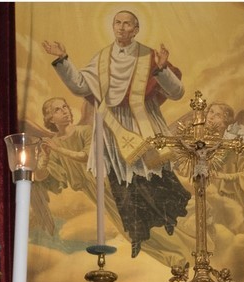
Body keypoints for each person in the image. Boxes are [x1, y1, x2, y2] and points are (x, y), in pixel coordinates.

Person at [43, 9, 191, 258]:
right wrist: (62, 60)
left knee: (156, 175)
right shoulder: (102, 58)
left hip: (144, 122)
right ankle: (138, 234)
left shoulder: (149, 56)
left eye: (127, 24)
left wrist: (161, 69)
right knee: (123, 183)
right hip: (112, 128)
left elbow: (177, 93)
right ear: (113, 27)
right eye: (117, 23)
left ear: (136, 30)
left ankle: (171, 219)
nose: (121, 28)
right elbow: (81, 85)